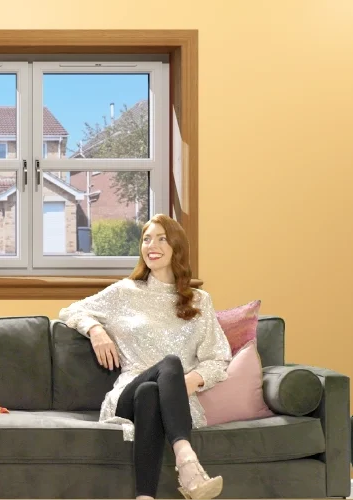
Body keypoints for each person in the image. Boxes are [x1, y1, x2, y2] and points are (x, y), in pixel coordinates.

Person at [58, 214, 232, 500]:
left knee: (153, 392)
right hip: (127, 394)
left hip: (171, 400)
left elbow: (217, 358)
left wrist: (187, 383)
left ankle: (145, 497)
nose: (152, 245)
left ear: (177, 247)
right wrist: (96, 329)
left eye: (162, 238)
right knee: (169, 363)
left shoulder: (201, 301)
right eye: (147, 239)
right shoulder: (125, 292)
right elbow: (70, 311)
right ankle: (187, 461)